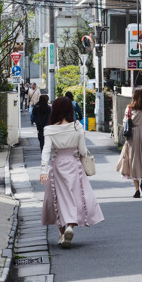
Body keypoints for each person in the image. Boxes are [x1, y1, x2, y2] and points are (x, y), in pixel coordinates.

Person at [39, 96, 103, 248]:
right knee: (77, 198)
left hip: (57, 166)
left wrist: (43, 170)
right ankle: (70, 227)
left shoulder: (49, 129)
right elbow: (82, 150)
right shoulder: (77, 127)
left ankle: (61, 233)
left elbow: (46, 151)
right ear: (70, 110)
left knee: (57, 199)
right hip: (74, 165)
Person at [115, 86, 142, 198]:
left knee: (134, 161)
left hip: (133, 137)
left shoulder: (129, 109)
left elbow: (125, 122)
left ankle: (136, 189)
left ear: (134, 96)